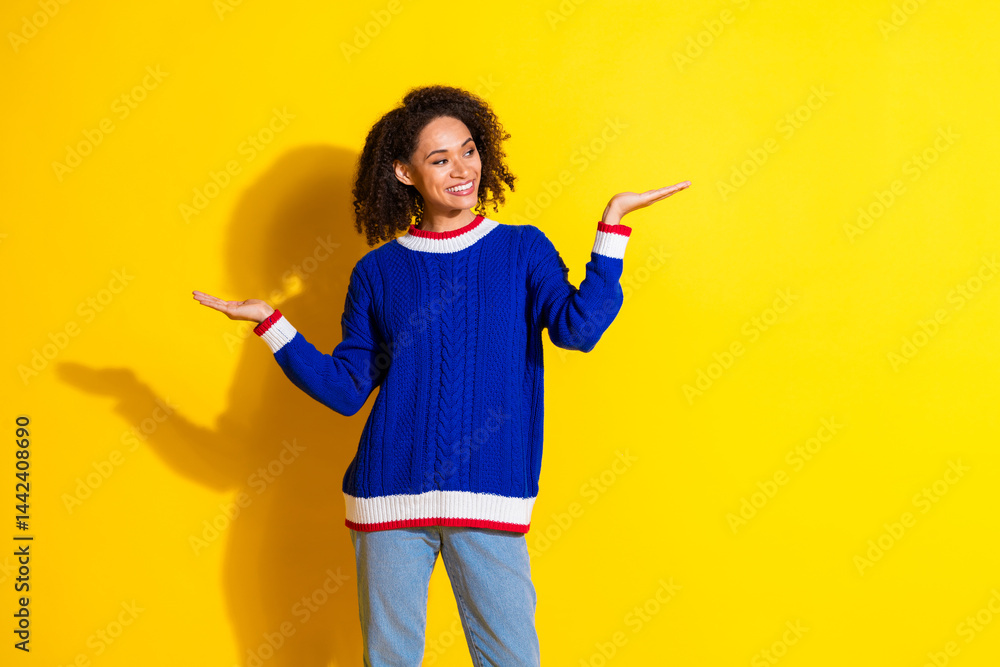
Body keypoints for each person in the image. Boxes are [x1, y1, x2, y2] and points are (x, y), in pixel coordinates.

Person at [193, 84, 689, 666]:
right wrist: (271, 324)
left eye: (469, 150)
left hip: (490, 494)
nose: (463, 169)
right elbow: (346, 390)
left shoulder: (522, 250)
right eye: (440, 159)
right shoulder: (377, 272)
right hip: (386, 498)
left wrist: (612, 228)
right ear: (404, 173)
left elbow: (577, 330)